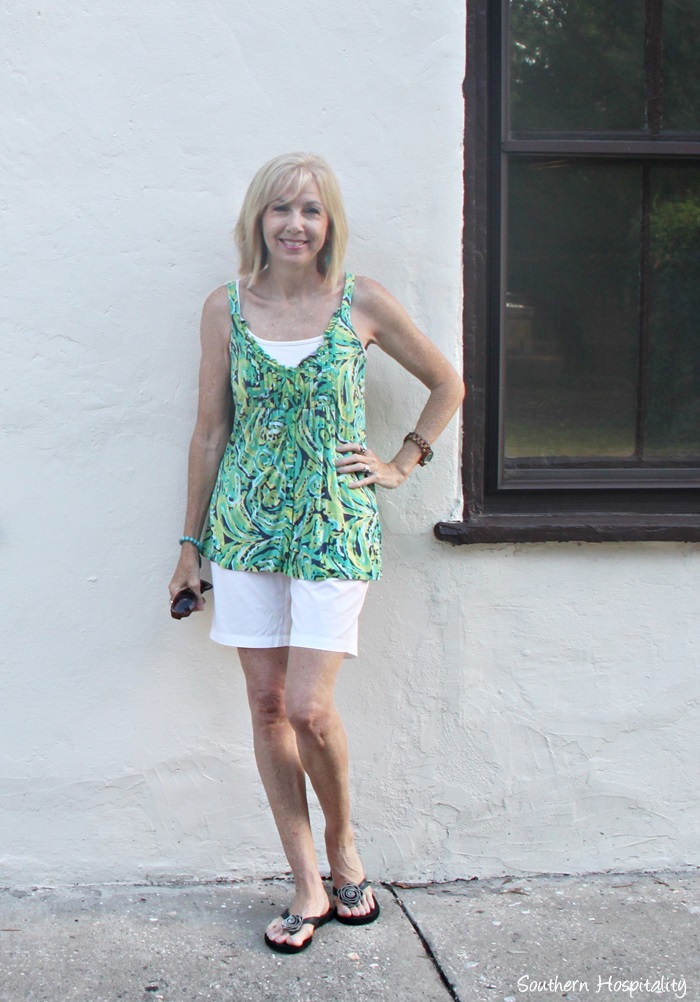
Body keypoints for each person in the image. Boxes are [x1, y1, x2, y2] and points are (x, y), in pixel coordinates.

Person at [168, 153, 464, 954]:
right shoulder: (225, 308)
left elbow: (447, 383)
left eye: (310, 210)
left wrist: (402, 462)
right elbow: (210, 431)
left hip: (334, 527)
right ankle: (306, 881)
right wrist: (191, 546)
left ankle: (343, 847)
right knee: (267, 708)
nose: (294, 224)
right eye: (280, 209)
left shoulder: (360, 301)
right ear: (257, 219)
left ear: (329, 223)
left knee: (308, 709)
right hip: (245, 529)